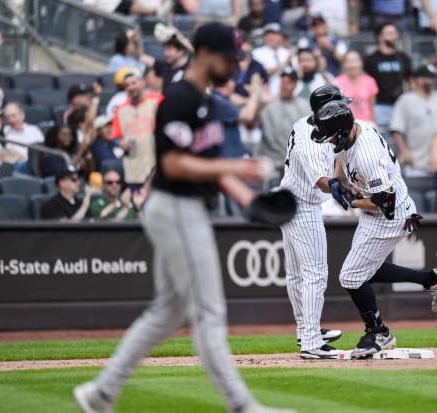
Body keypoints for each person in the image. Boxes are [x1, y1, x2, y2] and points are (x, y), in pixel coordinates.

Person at [72, 22, 294, 413]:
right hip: (175, 209)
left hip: (182, 207)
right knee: (208, 313)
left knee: (165, 314)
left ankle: (100, 393)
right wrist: (239, 168)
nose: (234, 65)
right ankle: (242, 406)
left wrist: (245, 196)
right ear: (206, 53)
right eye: (229, 58)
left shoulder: (204, 100)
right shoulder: (178, 98)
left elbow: (206, 164)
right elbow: (174, 164)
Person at [310, 100, 437, 359]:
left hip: (391, 215)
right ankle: (431, 279)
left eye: (331, 137)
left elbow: (384, 205)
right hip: (379, 209)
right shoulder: (355, 128)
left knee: (351, 277)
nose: (329, 142)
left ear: (342, 131)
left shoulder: (367, 156)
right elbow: (342, 156)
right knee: (364, 271)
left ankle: (378, 332)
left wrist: (350, 201)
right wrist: (337, 180)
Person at [279, 85, 349, 359]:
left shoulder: (304, 122)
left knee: (297, 274)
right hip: (302, 205)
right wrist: (346, 188)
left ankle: (305, 330)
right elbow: (322, 183)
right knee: (315, 274)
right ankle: (310, 340)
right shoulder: (310, 141)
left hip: (290, 200)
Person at [390, 65, 437, 177]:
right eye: (429, 78)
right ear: (417, 80)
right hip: (416, 162)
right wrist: (404, 151)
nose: (432, 81)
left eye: (433, 78)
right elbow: (397, 129)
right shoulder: (405, 99)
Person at [111, 69, 163, 190]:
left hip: (157, 165)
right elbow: (115, 137)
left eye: (134, 83)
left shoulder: (157, 101)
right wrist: (120, 143)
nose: (130, 87)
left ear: (143, 82)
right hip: (134, 168)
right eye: (127, 85)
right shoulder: (121, 110)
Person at [362, 22, 412, 137]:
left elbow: (410, 81)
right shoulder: (370, 60)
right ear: (380, 37)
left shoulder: (403, 58)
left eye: (395, 33)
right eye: (389, 33)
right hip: (380, 106)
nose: (394, 36)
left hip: (400, 105)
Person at [258, 68, 310, 174]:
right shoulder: (269, 106)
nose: (284, 86)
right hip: (274, 165)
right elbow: (251, 126)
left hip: (300, 165)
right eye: (283, 82)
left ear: (295, 85)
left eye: (289, 83)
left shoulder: (305, 106)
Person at [333, 50, 378, 124]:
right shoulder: (337, 82)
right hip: (345, 123)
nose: (352, 65)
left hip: (366, 123)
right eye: (349, 61)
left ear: (361, 63)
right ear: (343, 64)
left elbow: (372, 107)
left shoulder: (370, 81)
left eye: (355, 61)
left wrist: (374, 123)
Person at [0, 102, 44, 174]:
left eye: (13, 116)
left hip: (37, 163)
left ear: (22, 115)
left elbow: (42, 150)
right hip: (18, 166)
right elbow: (3, 154)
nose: (11, 120)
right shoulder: (4, 132)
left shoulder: (34, 129)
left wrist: (21, 155)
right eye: (7, 117)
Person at [251, 23, 293, 99]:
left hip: (288, 96)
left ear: (281, 36)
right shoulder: (256, 53)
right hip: (267, 96)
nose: (270, 37)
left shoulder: (287, 52)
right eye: (267, 34)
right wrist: (285, 63)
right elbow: (263, 73)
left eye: (273, 34)